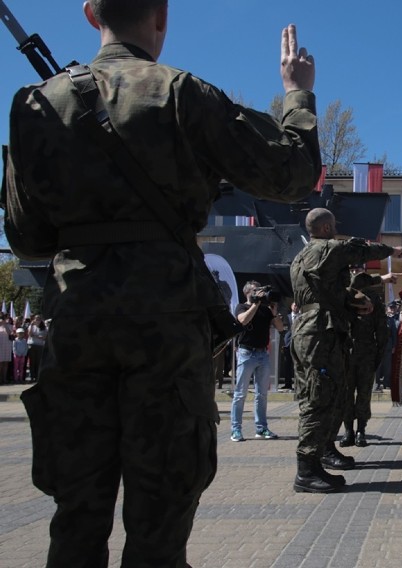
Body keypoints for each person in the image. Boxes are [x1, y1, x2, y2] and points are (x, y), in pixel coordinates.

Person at [3, 0, 321, 562]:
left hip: (79, 324)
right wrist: (296, 93)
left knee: (75, 518)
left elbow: (27, 238)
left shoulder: (36, 104)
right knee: (159, 523)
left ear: (89, 14)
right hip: (165, 326)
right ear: (162, 16)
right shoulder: (182, 94)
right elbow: (292, 175)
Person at [290, 207, 402, 493]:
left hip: (317, 330)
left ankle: (319, 458)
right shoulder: (328, 249)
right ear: (327, 229)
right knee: (318, 398)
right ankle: (306, 470)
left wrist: (353, 300)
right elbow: (360, 249)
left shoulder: (301, 256)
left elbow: (329, 292)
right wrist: (391, 250)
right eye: (335, 227)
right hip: (319, 333)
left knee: (330, 395)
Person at [229, 281, 286, 442]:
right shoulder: (242, 307)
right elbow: (243, 321)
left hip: (263, 354)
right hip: (246, 353)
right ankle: (236, 429)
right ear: (248, 292)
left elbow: (281, 328)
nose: (260, 293)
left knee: (261, 394)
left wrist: (274, 313)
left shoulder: (265, 309)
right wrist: (255, 304)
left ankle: (261, 428)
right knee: (240, 394)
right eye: (256, 290)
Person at [340, 270, 389, 448]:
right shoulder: (343, 296)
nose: (353, 272)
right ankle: (348, 431)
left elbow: (381, 328)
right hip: (345, 352)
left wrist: (379, 354)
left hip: (367, 352)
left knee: (364, 394)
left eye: (357, 270)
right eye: (351, 269)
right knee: (345, 394)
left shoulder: (373, 298)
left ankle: (361, 430)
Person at [26, 315, 48, 382]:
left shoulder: (44, 328)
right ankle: (32, 376)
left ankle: (37, 376)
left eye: (39, 319)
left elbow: (44, 337)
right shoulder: (31, 326)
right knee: (32, 362)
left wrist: (36, 336)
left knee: (38, 362)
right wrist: (32, 325)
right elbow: (30, 334)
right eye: (36, 319)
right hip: (32, 345)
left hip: (40, 345)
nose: (37, 320)